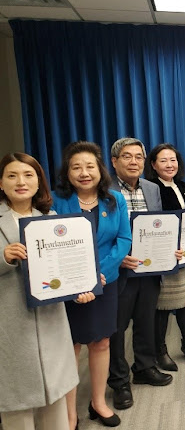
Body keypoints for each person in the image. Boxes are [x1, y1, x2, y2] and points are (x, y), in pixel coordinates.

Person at [0, 153, 85, 430]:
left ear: (39, 182)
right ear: (1, 183)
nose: (20, 182)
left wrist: (81, 286)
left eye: (28, 175)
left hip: (50, 322)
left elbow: (64, 269)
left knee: (55, 401)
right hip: (10, 327)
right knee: (18, 409)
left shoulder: (50, 218)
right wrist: (3, 257)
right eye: (12, 175)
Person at [53, 141, 132, 428]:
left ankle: (98, 402)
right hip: (68, 286)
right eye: (76, 167)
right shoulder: (55, 201)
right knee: (71, 346)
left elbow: (123, 240)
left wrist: (100, 273)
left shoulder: (115, 199)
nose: (84, 173)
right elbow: (49, 245)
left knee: (101, 342)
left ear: (100, 170)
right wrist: (79, 277)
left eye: (90, 166)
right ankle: (69, 413)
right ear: (67, 172)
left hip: (105, 281)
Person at [108, 137, 173, 412]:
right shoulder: (105, 190)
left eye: (138, 157)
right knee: (116, 328)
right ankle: (119, 381)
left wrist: (169, 247)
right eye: (127, 156)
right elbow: (98, 234)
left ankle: (144, 367)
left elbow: (159, 226)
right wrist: (116, 257)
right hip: (119, 270)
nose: (134, 162)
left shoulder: (151, 188)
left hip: (149, 268)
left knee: (146, 320)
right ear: (114, 162)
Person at [144, 143, 185, 370]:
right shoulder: (150, 188)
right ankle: (160, 351)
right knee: (163, 307)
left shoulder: (184, 186)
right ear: (153, 164)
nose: (169, 164)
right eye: (163, 160)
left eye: (173, 160)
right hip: (165, 258)